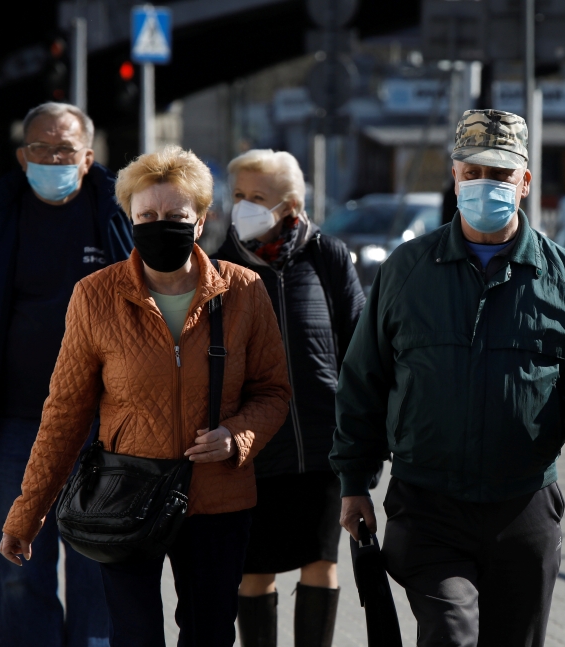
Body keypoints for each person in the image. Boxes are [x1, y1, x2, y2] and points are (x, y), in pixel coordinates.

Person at [331, 109, 565, 647]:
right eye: (472, 173)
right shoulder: (407, 271)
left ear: (524, 182)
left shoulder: (564, 279)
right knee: (450, 631)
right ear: (454, 177)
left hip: (524, 507)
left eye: (499, 174)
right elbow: (363, 379)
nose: (484, 185)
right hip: (428, 505)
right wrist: (355, 482)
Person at [0, 145, 292, 647]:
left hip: (217, 500)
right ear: (131, 220)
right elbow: (65, 413)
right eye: (147, 215)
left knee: (209, 633)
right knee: (133, 636)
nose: (160, 225)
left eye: (175, 215)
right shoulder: (95, 295)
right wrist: (27, 516)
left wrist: (236, 437)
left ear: (201, 220)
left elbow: (274, 392)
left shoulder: (244, 290)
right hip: (125, 497)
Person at [0, 102, 132, 646]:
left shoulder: (119, 214)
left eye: (64, 149)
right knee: (18, 572)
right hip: (17, 422)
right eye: (41, 148)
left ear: (88, 157)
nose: (52, 158)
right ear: (22, 157)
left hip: (104, 425)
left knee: (96, 567)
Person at [216, 149, 365, 647]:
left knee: (321, 564)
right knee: (254, 573)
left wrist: (364, 434)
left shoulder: (328, 256)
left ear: (290, 205)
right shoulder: (220, 267)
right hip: (253, 450)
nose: (243, 207)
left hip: (324, 448)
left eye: (257, 197)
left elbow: (360, 348)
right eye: (238, 195)